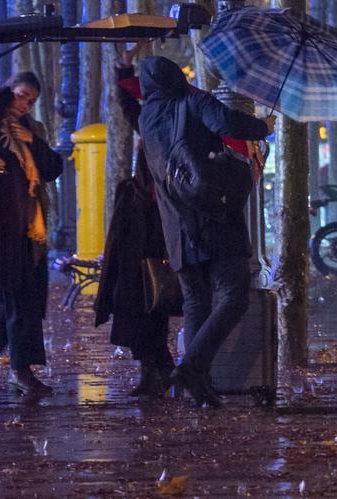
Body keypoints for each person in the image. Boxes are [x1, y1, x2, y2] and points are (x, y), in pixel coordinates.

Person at [136, 56, 274, 407]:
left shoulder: (147, 116)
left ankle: (199, 384)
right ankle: (192, 368)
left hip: (176, 225)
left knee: (196, 300)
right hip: (214, 215)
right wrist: (263, 126)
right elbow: (225, 121)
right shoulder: (194, 101)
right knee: (234, 295)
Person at [0, 72, 63, 396]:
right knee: (20, 299)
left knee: (26, 298)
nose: (25, 105)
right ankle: (20, 372)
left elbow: (52, 168)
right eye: (21, 96)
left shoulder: (30, 129)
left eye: (31, 101)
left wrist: (32, 140)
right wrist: (6, 96)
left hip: (30, 227)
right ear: (8, 92)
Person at [95, 45, 178, 398]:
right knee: (138, 298)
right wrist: (124, 67)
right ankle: (156, 367)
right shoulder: (154, 118)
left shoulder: (171, 121)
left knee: (153, 296)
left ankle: (161, 368)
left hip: (159, 223)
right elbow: (128, 104)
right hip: (141, 222)